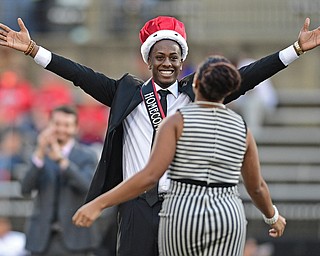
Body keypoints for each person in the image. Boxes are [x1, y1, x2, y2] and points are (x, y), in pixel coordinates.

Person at [0, 15, 319, 256]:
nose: (167, 63)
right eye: (160, 57)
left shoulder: (198, 91)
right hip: (136, 204)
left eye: (173, 57)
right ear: (147, 59)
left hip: (184, 204)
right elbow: (78, 74)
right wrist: (31, 49)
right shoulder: (124, 92)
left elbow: (246, 78)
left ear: (183, 61)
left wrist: (294, 50)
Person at [72, 55, 286, 255]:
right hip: (227, 216)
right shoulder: (241, 127)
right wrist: (272, 216)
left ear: (195, 84)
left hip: (184, 214)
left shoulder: (177, 121)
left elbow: (150, 176)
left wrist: (99, 203)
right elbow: (256, 186)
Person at [20, 105, 99, 255]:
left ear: (75, 128)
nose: (61, 129)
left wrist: (63, 162)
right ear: (49, 125)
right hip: (41, 241)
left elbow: (88, 187)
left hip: (76, 240)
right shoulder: (39, 154)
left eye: (67, 125)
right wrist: (39, 155)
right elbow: (25, 189)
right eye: (57, 124)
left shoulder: (87, 155)